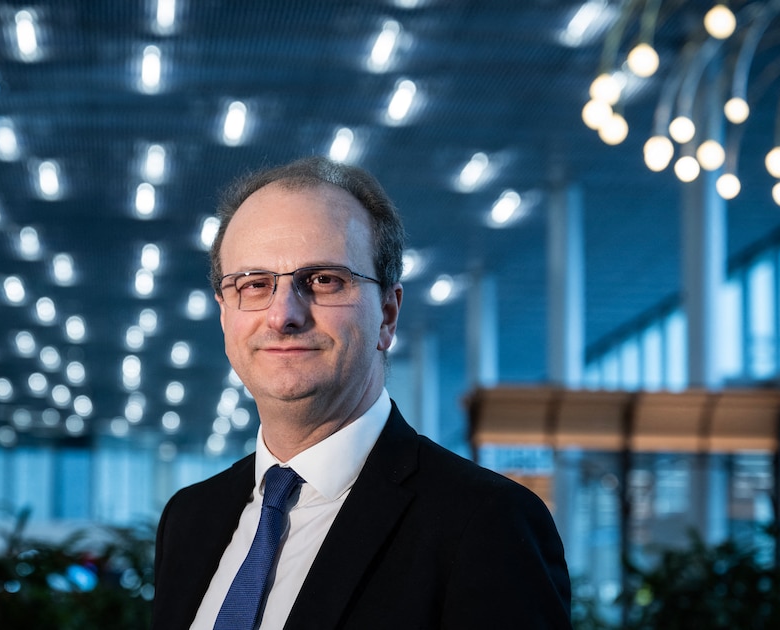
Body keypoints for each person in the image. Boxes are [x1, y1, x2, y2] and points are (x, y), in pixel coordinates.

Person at [152, 156, 571, 629]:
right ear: (226, 314)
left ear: (388, 314)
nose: (283, 315)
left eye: (324, 280)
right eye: (254, 284)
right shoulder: (189, 519)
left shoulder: (487, 524)